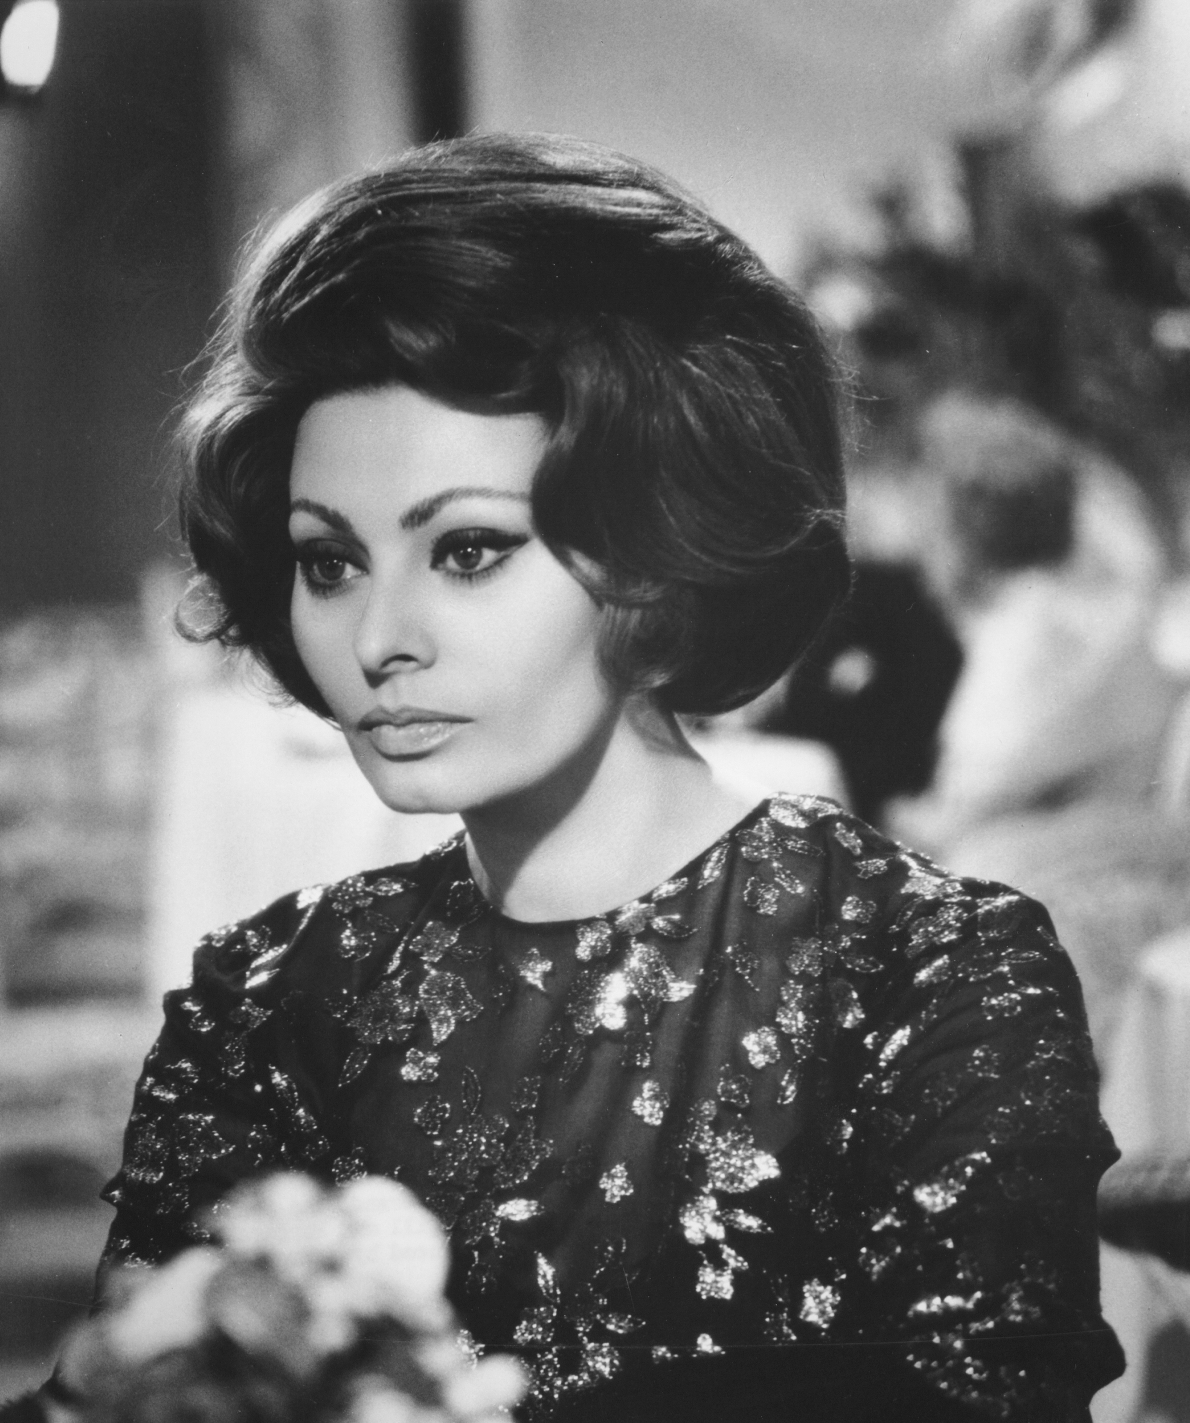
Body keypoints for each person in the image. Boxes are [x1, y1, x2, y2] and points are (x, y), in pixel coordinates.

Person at [70, 135, 1121, 1422]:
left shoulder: (927, 974)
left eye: (467, 549)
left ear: (652, 552)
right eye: (329, 562)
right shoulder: (270, 1001)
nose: (379, 637)